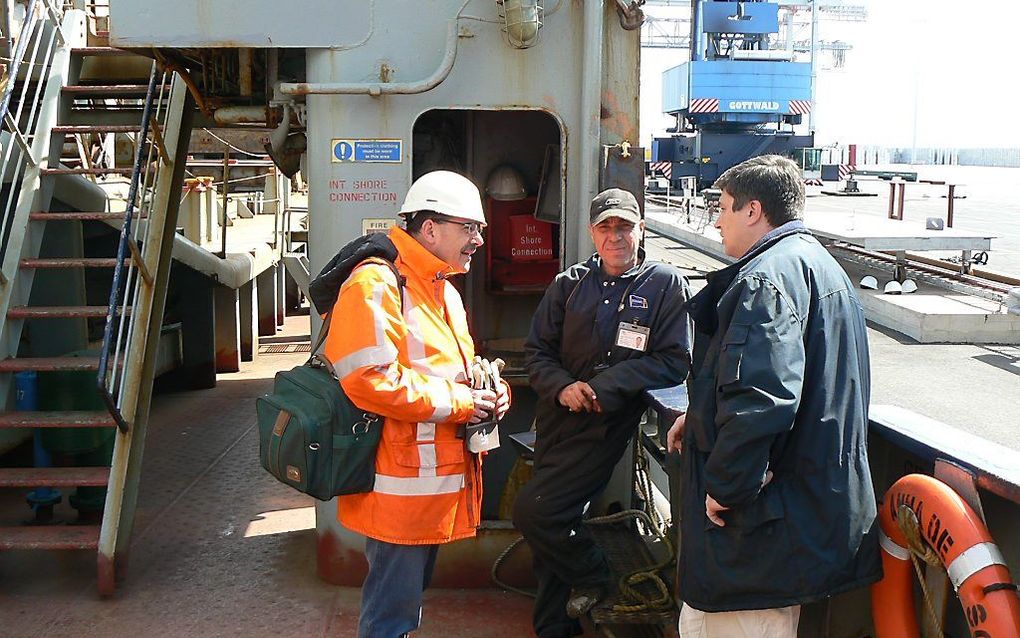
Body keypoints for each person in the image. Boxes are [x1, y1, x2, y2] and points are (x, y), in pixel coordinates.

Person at [666, 155, 880, 637]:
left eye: (722, 207)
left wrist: (726, 487)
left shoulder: (766, 278)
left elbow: (763, 398)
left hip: (759, 534)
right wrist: (700, 418)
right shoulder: (821, 267)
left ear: (753, 210)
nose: (716, 219)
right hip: (804, 517)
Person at [324, 170, 511, 638]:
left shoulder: (442, 289)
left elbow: (454, 368)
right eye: (469, 227)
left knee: (404, 608)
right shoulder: (375, 285)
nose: (478, 240)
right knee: (391, 615)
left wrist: (490, 390)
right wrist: (464, 402)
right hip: (399, 485)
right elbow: (369, 380)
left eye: (480, 229)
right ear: (430, 228)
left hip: (430, 483)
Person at [514, 187, 692, 638]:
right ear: (593, 233)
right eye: (606, 227)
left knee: (536, 512)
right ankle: (555, 627)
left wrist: (603, 387)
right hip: (557, 418)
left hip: (604, 424)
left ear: (641, 229)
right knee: (555, 520)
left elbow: (674, 360)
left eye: (624, 226)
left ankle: (593, 574)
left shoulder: (665, 285)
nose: (615, 236)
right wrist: (563, 387)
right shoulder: (568, 285)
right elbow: (537, 353)